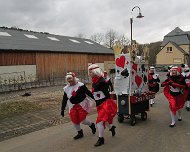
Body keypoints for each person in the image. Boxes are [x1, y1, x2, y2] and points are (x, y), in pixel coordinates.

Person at [88, 64, 117, 147]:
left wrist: (109, 105)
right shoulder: (94, 80)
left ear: (95, 71)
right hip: (99, 104)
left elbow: (106, 94)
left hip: (105, 104)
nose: (89, 74)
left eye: (90, 72)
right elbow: (95, 93)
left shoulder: (102, 81)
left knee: (99, 122)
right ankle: (111, 128)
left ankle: (101, 139)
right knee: (105, 120)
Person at [61, 72, 96, 140]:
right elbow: (64, 99)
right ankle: (80, 132)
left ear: (74, 78)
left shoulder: (81, 85)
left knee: (82, 120)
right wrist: (62, 109)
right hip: (72, 106)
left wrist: (96, 99)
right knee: (74, 120)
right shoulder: (66, 88)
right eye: (68, 79)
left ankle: (91, 124)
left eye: (70, 78)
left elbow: (88, 93)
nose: (69, 80)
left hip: (82, 105)